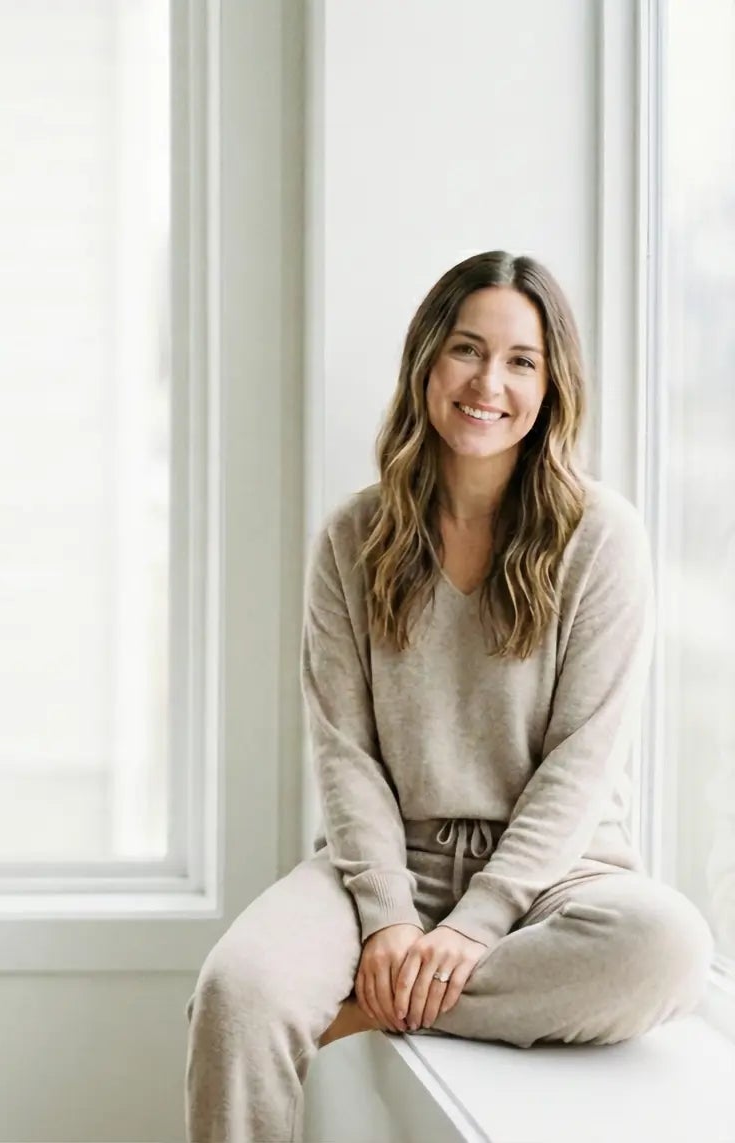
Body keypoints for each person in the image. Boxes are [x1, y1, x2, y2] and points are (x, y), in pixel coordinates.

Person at [184, 250, 713, 1143]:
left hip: (557, 871)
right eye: (467, 349)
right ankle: (365, 984)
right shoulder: (353, 538)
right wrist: (388, 916)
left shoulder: (603, 538)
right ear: (428, 359)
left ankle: (356, 1008)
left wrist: (477, 926)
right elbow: (345, 754)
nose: (488, 382)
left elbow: (582, 761)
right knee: (237, 995)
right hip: (386, 858)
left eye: (520, 360)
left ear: (551, 385)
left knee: (669, 949)